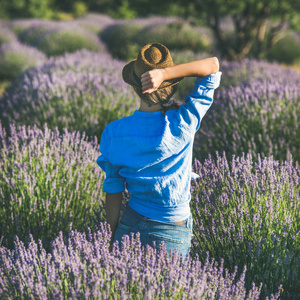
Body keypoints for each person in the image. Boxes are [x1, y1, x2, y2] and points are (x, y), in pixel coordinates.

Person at [97, 42, 221, 258]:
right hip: (171, 229)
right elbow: (212, 65)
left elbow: (113, 189)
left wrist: (110, 237)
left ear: (135, 88)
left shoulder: (114, 132)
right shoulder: (183, 121)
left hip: (130, 224)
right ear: (172, 86)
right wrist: (166, 73)